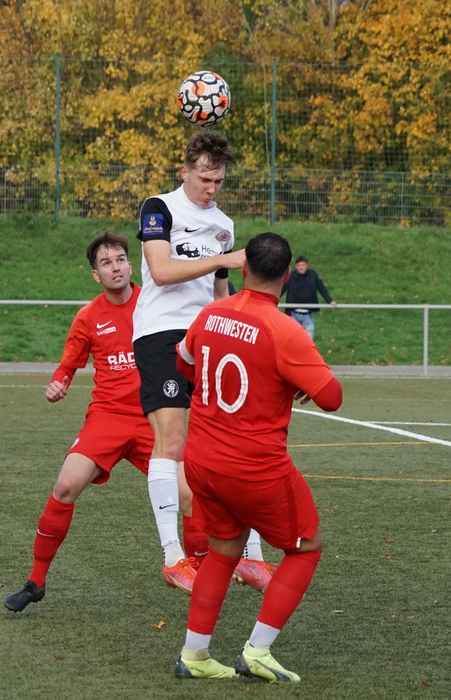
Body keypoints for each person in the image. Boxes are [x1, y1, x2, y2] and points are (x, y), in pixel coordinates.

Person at [172, 232, 343, 682]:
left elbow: (183, 363)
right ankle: (257, 651)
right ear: (286, 278)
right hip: (253, 467)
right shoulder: (284, 330)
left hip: (202, 459)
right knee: (306, 547)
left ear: (244, 268)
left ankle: (195, 655)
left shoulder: (211, 314)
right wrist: (298, 380)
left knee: (223, 550)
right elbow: (332, 397)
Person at [133, 131, 272, 594]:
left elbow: (219, 291)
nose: (211, 188)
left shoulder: (224, 224)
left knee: (234, 442)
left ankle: (250, 556)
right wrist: (223, 258)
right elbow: (161, 271)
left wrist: (236, 325)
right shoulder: (159, 207)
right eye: (205, 178)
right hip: (161, 333)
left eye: (219, 181)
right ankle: (173, 558)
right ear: (185, 170)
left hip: (209, 336)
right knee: (171, 442)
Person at [4, 231, 155, 612]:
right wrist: (59, 384)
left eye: (120, 260)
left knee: (192, 493)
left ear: (130, 265)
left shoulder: (154, 304)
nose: (115, 267)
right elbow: (68, 365)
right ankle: (36, 581)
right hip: (107, 417)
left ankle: (202, 572)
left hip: (155, 418)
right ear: (95, 274)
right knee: (64, 486)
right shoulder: (88, 316)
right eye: (106, 263)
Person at [281, 255, 336, 339]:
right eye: (299, 265)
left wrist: (330, 301)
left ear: (307, 265)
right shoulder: (291, 276)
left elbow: (321, 287)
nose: (301, 267)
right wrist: (273, 301)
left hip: (307, 315)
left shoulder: (312, 275)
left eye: (303, 265)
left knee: (309, 339)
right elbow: (282, 289)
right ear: (296, 266)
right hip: (293, 314)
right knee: (293, 339)